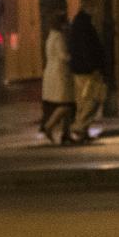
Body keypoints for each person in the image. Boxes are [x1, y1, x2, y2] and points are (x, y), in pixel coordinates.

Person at [66, 0, 109, 144]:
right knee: (91, 99)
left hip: (81, 68)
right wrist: (94, 67)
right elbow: (86, 48)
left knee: (84, 100)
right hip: (86, 70)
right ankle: (79, 127)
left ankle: (83, 131)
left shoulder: (80, 23)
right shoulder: (83, 24)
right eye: (93, 5)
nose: (95, 9)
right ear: (87, 6)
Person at [39, 12, 72, 144]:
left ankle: (66, 133)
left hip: (53, 73)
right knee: (66, 103)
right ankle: (49, 126)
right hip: (60, 74)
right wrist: (73, 58)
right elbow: (63, 55)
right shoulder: (58, 38)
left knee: (66, 102)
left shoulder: (50, 37)